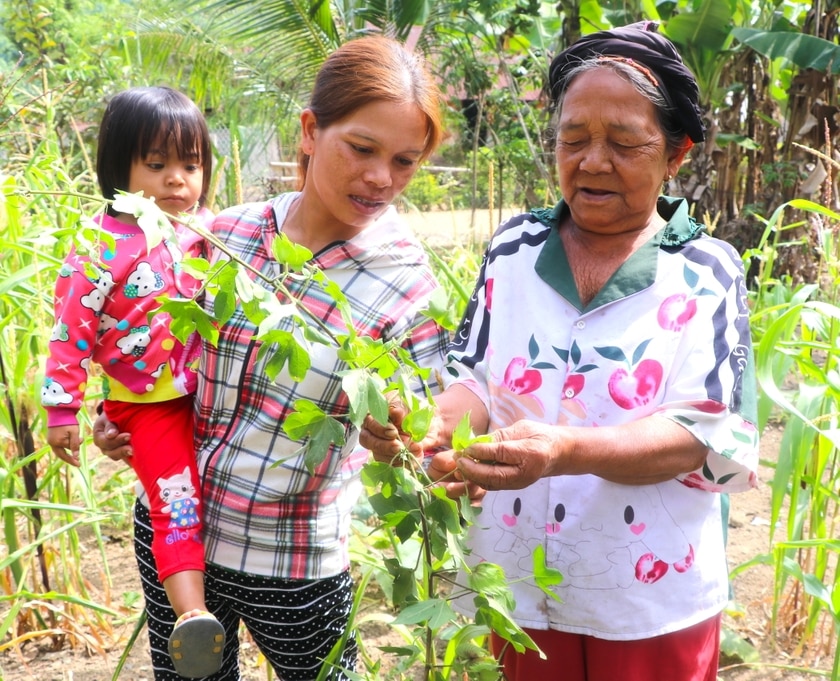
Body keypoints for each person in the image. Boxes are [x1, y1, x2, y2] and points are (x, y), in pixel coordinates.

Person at [360, 21, 759, 681]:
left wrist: (565, 452)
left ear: (676, 154)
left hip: (646, 596)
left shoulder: (704, 270)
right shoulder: (514, 249)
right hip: (515, 584)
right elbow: (477, 377)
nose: (591, 161)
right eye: (572, 139)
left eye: (624, 143)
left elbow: (704, 430)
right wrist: (433, 430)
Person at [94, 36, 449, 681]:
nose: (381, 178)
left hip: (291, 562)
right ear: (311, 131)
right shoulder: (222, 235)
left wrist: (399, 436)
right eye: (362, 149)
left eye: (404, 161)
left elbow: (428, 433)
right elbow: (164, 356)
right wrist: (125, 415)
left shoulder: (409, 288)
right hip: (178, 536)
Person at [41, 86, 225, 678]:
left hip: (209, 396)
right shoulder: (100, 244)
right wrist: (63, 413)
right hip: (147, 408)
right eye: (156, 164)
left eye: (190, 165)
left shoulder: (206, 235)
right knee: (176, 502)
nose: (177, 180)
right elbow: (69, 330)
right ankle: (193, 616)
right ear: (117, 167)